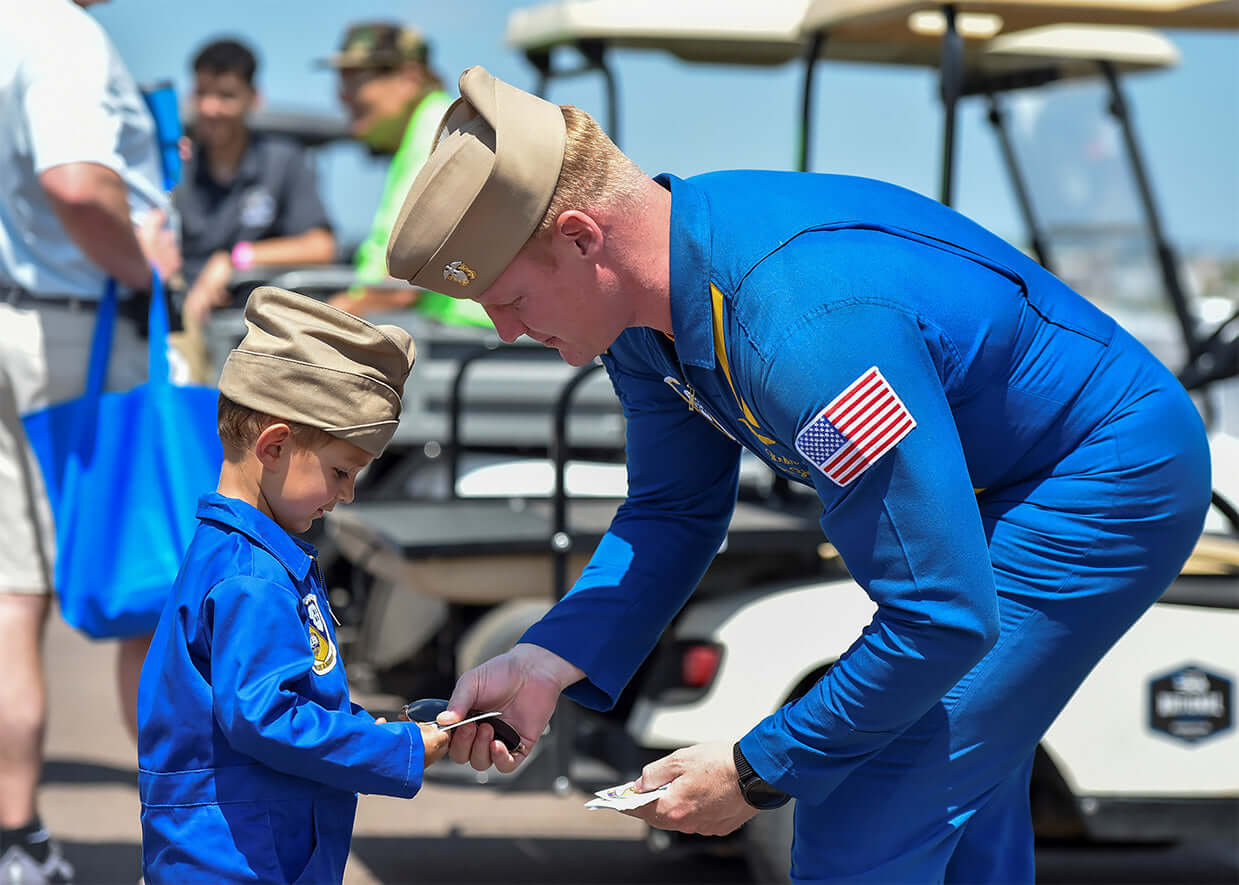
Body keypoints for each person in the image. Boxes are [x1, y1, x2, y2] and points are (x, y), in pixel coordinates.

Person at [384, 66, 1212, 883]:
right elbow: (673, 509)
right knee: (949, 800)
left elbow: (939, 613)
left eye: (510, 299)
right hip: (997, 482)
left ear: (578, 235)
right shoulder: (643, 310)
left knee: (867, 793)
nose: (502, 332)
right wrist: (545, 659)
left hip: (1097, 473)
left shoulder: (808, 334)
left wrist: (754, 769)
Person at [137, 286, 447, 883]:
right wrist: (403, 749)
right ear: (274, 445)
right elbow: (267, 718)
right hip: (236, 859)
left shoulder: (239, 554)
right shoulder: (252, 575)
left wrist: (364, 728)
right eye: (339, 471)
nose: (347, 494)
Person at [0, 0, 181, 881]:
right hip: (87, 332)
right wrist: (146, 267)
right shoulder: (60, 31)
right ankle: (189, 834)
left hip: (15, 321)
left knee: (10, 601)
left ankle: (17, 841)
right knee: (154, 594)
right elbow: (77, 183)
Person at [320, 21, 489, 327]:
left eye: (354, 80)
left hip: (463, 344)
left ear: (409, 78)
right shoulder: (429, 129)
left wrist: (337, 312)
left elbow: (411, 276)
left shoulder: (439, 132)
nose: (341, 97)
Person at [176, 37, 335, 330]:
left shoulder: (283, 160)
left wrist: (236, 260)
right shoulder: (176, 163)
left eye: (226, 96)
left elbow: (320, 247)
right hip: (184, 325)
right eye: (201, 93)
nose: (210, 108)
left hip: (262, 332)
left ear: (253, 98)